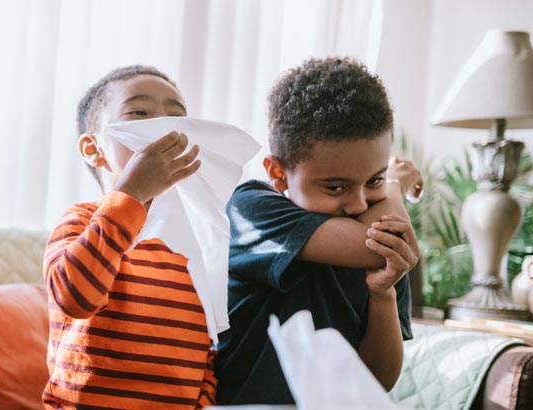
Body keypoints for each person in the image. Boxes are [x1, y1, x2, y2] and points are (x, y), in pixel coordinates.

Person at [215, 57, 422, 404]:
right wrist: (392, 185)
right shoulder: (251, 207)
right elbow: (376, 247)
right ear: (279, 174)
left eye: (373, 180)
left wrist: (383, 294)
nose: (359, 204)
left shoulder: (384, 242)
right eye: (336, 187)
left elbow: (377, 380)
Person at [43, 65, 218, 409]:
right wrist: (132, 194)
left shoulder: (195, 243)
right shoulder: (80, 221)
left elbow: (210, 347)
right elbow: (75, 296)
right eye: (139, 113)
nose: (164, 126)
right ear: (94, 149)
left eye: (177, 117)